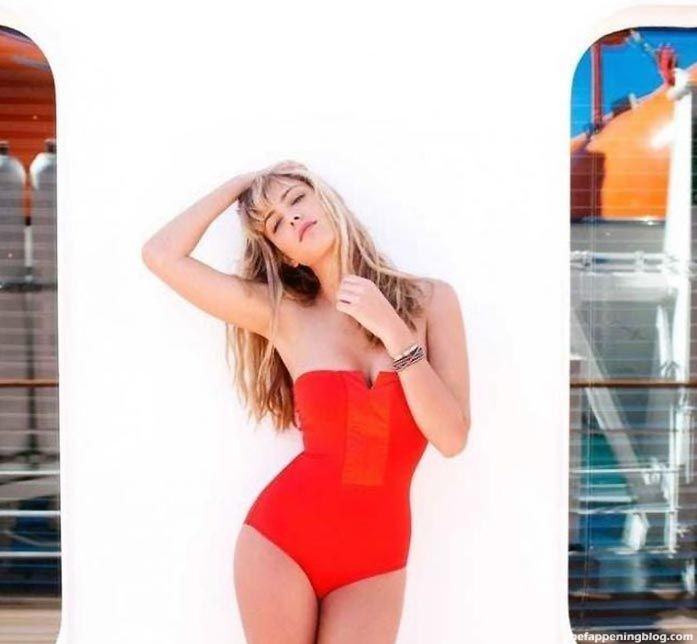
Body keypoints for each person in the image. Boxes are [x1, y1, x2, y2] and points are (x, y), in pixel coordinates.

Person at [141, 160, 471, 644]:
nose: (291, 217)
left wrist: (394, 331)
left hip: (376, 561)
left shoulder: (433, 300)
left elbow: (452, 437)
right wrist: (239, 185)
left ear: (328, 202)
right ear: (285, 255)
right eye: (275, 224)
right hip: (284, 542)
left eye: (296, 199)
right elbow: (160, 254)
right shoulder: (284, 316)